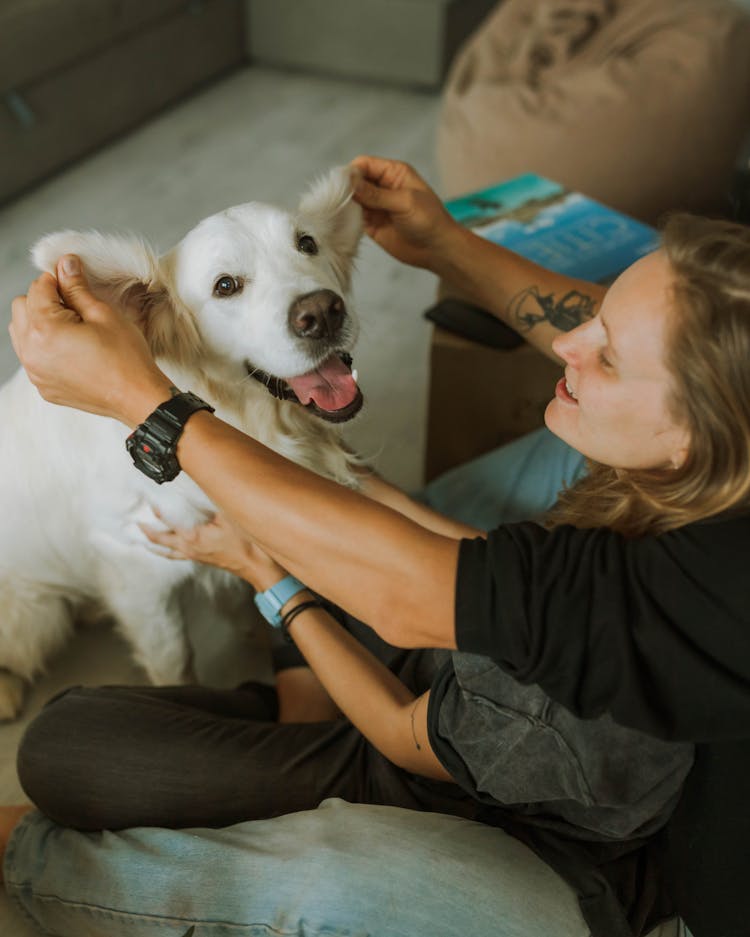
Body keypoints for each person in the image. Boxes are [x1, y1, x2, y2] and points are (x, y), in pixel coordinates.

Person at [1, 155, 749, 937]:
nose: (565, 346)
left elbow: (408, 670)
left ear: (692, 438)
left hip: (500, 803)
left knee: (72, 753)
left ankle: (48, 849)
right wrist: (446, 248)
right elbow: (489, 557)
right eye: (593, 318)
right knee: (352, 535)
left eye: (609, 354)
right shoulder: (680, 477)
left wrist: (261, 559)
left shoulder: (670, 594)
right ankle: (297, 715)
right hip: (485, 690)